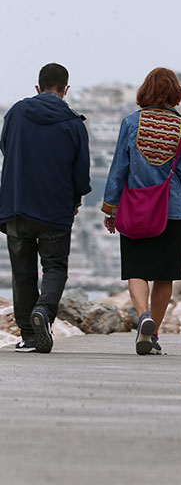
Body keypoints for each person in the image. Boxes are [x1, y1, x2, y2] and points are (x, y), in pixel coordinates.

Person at [102, 67, 181, 355]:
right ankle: (152, 333)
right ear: (176, 92)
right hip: (172, 211)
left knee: (136, 269)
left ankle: (142, 314)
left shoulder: (132, 123)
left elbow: (119, 168)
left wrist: (110, 207)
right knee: (164, 276)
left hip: (135, 208)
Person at [0, 63, 91, 353]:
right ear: (66, 89)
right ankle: (44, 312)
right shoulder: (74, 123)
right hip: (54, 208)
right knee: (54, 267)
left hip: (15, 205)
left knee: (22, 271)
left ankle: (28, 335)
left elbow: (5, 146)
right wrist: (75, 201)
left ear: (37, 88)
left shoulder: (15, 113)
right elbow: (81, 172)